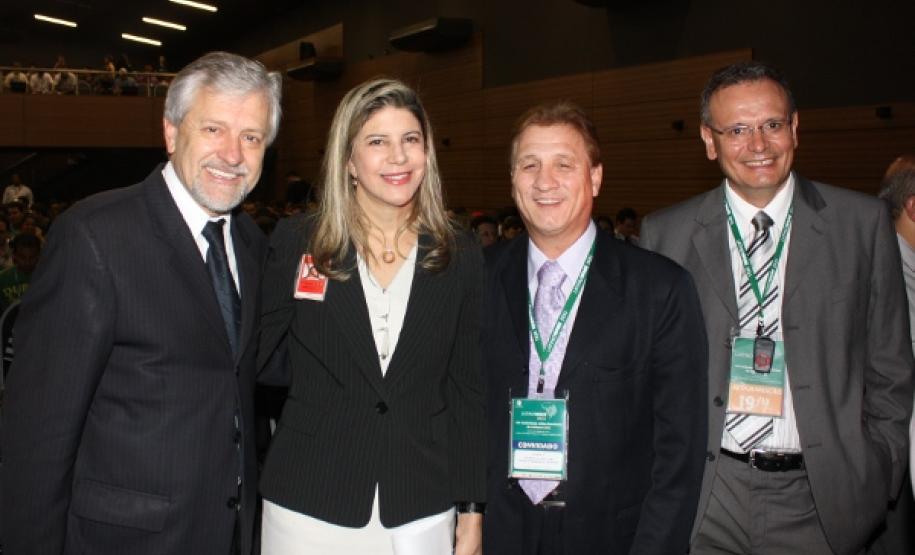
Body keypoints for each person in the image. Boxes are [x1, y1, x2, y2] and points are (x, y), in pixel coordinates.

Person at [1, 51, 282, 555]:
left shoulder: (253, 246)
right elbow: (36, 438)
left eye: (252, 137)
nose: (233, 154)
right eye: (214, 129)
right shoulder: (95, 237)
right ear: (172, 133)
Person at [640, 61, 913, 555]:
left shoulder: (861, 225)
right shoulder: (666, 235)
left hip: (823, 497)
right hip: (708, 496)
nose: (758, 145)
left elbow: (890, 368)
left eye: (771, 125)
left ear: (795, 128)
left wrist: (879, 473)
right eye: (738, 130)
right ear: (709, 140)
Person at [257, 78, 485, 555]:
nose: (398, 157)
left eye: (410, 140)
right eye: (377, 142)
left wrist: (472, 508)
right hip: (309, 499)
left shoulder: (458, 251)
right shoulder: (300, 241)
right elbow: (257, 356)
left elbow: (467, 388)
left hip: (422, 501)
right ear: (349, 161)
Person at [482, 101, 708, 554]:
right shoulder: (475, 279)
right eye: (530, 165)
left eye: (564, 164)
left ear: (596, 177)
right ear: (512, 182)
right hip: (499, 533)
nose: (545, 181)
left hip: (611, 538)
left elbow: (679, 453)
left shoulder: (659, 288)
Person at [0, 233, 40, 312]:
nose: (27, 262)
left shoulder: (46, 277)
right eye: (22, 257)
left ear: (39, 255)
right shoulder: (2, 279)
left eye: (32, 257)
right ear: (14, 256)